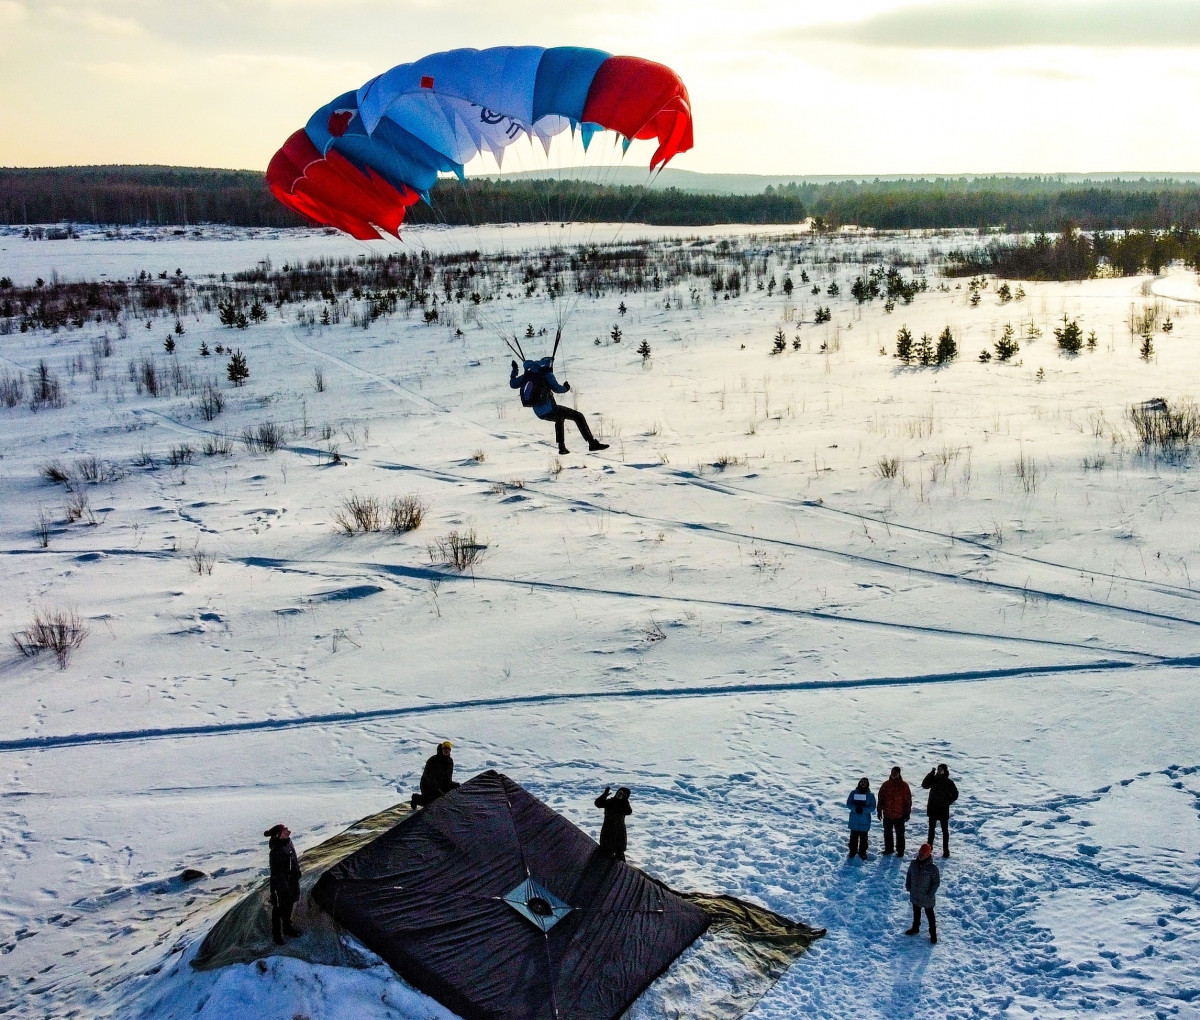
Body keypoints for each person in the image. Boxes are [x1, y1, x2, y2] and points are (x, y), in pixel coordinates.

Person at [510, 356, 609, 455]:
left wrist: (515, 369)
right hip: (549, 408)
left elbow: (513, 384)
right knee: (578, 416)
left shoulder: (528, 375)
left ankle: (562, 447)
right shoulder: (546, 374)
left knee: (559, 418)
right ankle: (592, 444)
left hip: (539, 413)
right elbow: (557, 388)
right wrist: (566, 387)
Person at [264, 823, 302, 946]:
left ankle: (287, 927)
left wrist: (297, 871)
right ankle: (277, 935)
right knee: (279, 909)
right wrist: (280, 887)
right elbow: (276, 872)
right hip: (281, 884)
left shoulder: (288, 843)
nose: (289, 831)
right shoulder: (276, 851)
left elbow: (294, 859)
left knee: (289, 905)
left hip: (291, 881)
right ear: (278, 835)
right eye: (285, 830)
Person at [904, 843, 941, 943]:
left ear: (928, 855)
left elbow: (936, 883)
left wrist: (930, 893)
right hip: (915, 894)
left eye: (923, 854)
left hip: (926, 896)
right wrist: (908, 886)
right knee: (916, 912)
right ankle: (915, 927)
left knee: (930, 915)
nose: (920, 856)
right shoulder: (913, 864)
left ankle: (933, 934)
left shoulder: (933, 869)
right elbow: (909, 875)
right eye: (920, 853)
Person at [922, 763, 959, 858]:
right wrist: (931, 773)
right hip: (933, 808)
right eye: (938, 769)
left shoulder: (949, 782)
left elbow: (955, 794)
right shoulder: (934, 779)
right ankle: (929, 849)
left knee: (944, 831)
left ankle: (946, 850)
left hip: (943, 809)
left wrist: (947, 802)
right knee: (931, 830)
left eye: (941, 769)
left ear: (945, 771)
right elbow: (924, 785)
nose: (939, 771)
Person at [411, 740, 459, 808]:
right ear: (441, 749)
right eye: (445, 749)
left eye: (448, 749)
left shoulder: (450, 761)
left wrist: (454, 786)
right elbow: (429, 778)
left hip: (440, 785)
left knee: (455, 789)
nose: (446, 751)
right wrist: (438, 791)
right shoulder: (433, 760)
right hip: (427, 785)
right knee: (432, 804)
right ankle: (415, 798)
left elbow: (448, 779)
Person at [877, 766, 913, 857]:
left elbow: (908, 800)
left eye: (895, 772)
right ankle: (888, 849)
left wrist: (907, 813)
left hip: (899, 815)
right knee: (887, 833)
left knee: (900, 834)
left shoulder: (904, 785)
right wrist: (879, 810)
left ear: (899, 773)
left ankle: (900, 851)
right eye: (892, 772)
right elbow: (881, 799)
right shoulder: (885, 785)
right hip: (887, 813)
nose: (893, 774)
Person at [595, 786, 632, 860]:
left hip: (619, 832)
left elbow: (629, 811)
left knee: (619, 853)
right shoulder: (610, 802)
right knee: (605, 851)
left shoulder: (623, 805)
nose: (619, 795)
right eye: (619, 792)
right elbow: (598, 804)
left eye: (622, 794)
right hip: (607, 830)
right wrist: (604, 795)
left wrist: (624, 800)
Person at [846, 777, 876, 861]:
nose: (862, 784)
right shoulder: (853, 793)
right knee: (853, 838)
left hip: (864, 820)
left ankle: (862, 852)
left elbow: (873, 807)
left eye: (864, 783)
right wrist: (855, 809)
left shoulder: (870, 795)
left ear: (867, 784)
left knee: (864, 839)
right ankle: (852, 851)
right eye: (861, 782)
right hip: (854, 820)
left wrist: (863, 810)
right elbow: (848, 803)